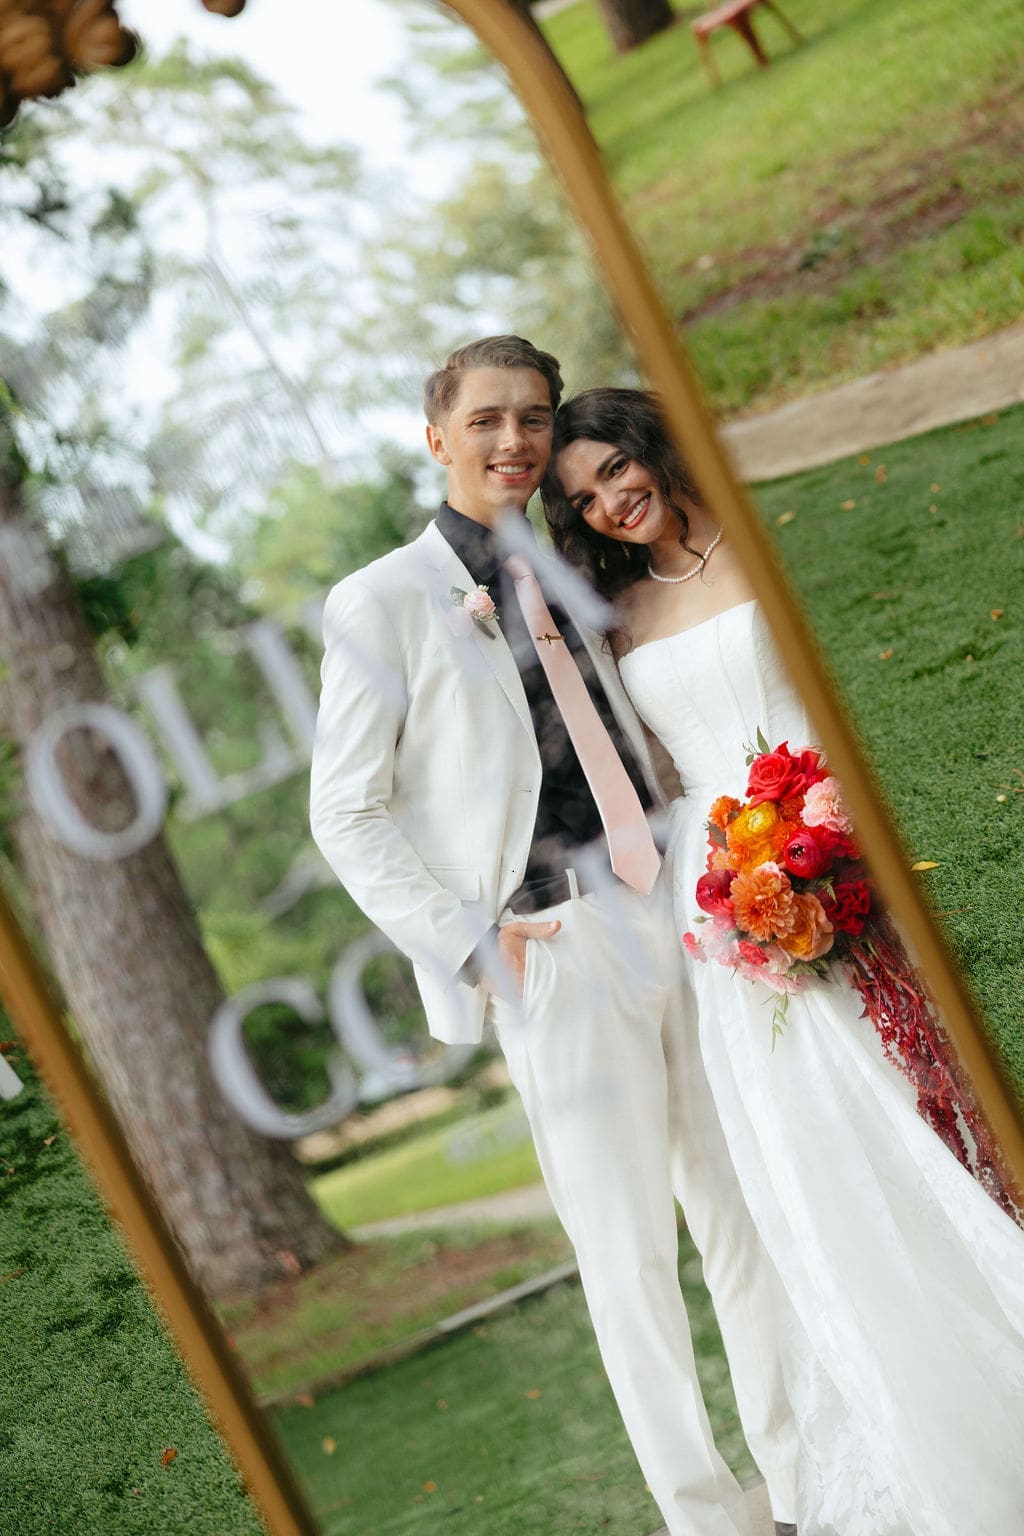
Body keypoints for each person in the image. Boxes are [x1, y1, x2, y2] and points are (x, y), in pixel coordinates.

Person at [310, 338, 801, 1536]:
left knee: (737, 1206)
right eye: (485, 420)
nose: (514, 442)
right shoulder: (381, 599)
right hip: (550, 945)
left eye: (532, 418)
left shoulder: (576, 557)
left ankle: (800, 1486)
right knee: (628, 1253)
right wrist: (465, 937)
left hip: (675, 906)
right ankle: (707, 1514)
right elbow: (345, 807)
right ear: (438, 439)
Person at [543, 385, 1024, 1536]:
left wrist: (834, 824)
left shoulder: (765, 533)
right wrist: (737, 883)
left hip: (841, 828)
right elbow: (647, 775)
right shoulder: (612, 619)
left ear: (653, 447)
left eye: (618, 469)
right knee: (821, 1142)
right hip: (738, 902)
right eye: (585, 497)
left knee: (932, 1094)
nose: (613, 502)